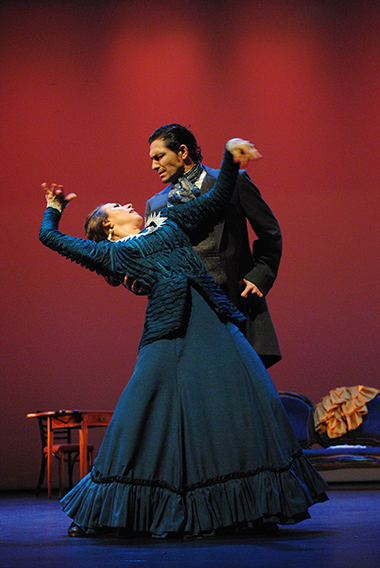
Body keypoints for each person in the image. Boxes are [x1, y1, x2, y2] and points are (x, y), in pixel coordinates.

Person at [39, 138, 328, 539]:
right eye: (117, 208)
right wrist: (54, 210)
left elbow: (215, 200)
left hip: (211, 317)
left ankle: (251, 503)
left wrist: (229, 157)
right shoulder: (114, 255)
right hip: (167, 330)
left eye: (159, 155)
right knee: (144, 408)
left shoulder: (169, 222)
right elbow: (52, 240)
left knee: (251, 394)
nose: (128, 205)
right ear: (108, 224)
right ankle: (110, 507)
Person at [145, 124, 282, 369]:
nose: (154, 165)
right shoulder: (156, 204)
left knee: (241, 390)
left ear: (183, 152)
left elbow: (269, 232)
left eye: (159, 156)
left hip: (233, 302)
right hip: (186, 313)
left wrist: (260, 276)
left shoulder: (232, 182)